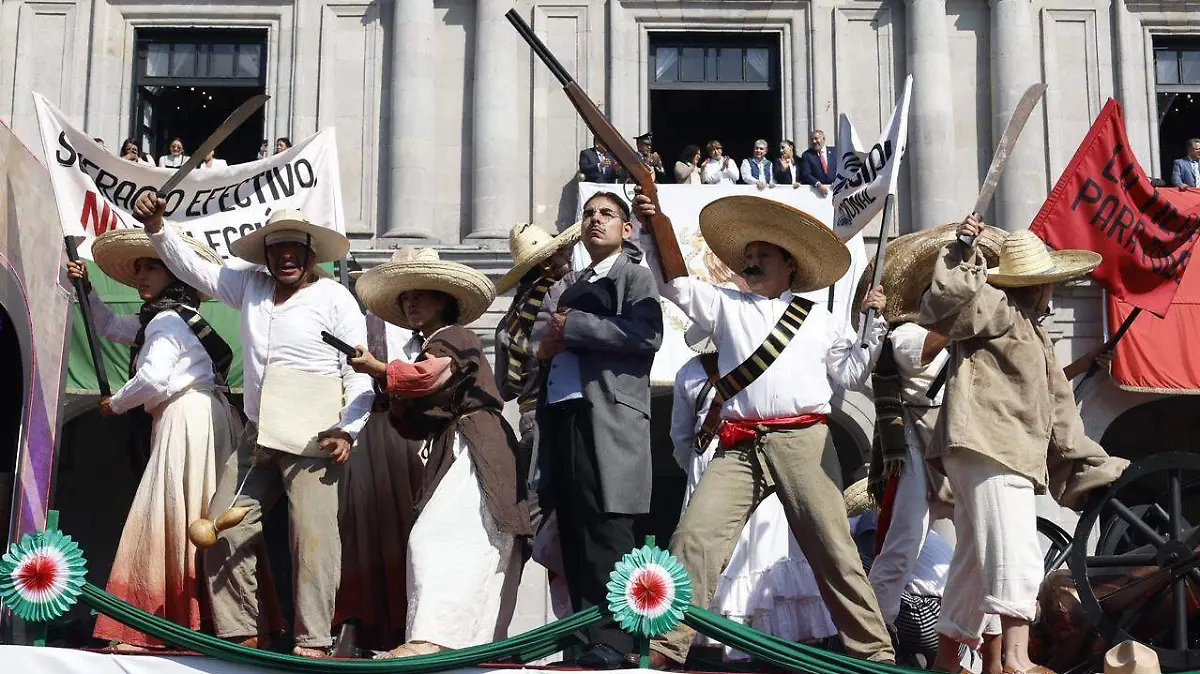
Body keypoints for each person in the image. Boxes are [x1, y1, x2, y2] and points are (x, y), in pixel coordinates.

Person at [633, 191, 896, 667]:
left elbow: (854, 374)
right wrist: (657, 223)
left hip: (805, 441)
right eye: (748, 257)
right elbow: (675, 283)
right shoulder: (725, 305)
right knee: (692, 540)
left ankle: (874, 655)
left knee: (835, 552)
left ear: (789, 265)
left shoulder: (819, 319)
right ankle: (663, 652)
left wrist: (872, 328)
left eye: (762, 257)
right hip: (738, 444)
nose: (751, 264)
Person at [134, 193, 373, 658]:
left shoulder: (335, 297)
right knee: (221, 528)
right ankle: (242, 632)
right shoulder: (249, 287)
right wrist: (158, 226)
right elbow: (191, 267)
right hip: (259, 435)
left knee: (313, 539)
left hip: (316, 436)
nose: (285, 257)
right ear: (266, 254)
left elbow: (357, 372)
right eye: (277, 249)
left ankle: (314, 642)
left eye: (294, 249)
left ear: (310, 254)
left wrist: (349, 429)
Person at [920, 219, 1130, 674]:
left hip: (999, 450)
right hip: (988, 446)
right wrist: (962, 251)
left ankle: (946, 658)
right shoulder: (998, 307)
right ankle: (1016, 659)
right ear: (1037, 284)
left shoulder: (1037, 335)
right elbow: (948, 301)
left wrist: (1097, 467)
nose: (1053, 291)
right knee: (1017, 549)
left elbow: (1060, 416)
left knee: (975, 559)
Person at [348, 248, 529, 658]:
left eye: (421, 294)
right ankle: (459, 640)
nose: (410, 302)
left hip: (479, 448)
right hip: (461, 446)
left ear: (444, 300)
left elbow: (428, 377)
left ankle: (439, 639)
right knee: (460, 540)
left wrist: (379, 369)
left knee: (445, 538)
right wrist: (388, 385)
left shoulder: (453, 337)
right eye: (405, 297)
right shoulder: (432, 344)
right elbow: (412, 412)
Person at [71, 229, 237, 651]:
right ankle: (213, 622)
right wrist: (87, 290)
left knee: (169, 514)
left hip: (186, 418)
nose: (142, 275)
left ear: (176, 274)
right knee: (199, 515)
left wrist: (115, 404)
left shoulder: (166, 320)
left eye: (153, 267)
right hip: (202, 418)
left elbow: (153, 378)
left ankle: (158, 627)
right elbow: (110, 325)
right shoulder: (169, 318)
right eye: (140, 268)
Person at [532, 191, 663, 669]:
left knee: (609, 529)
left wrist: (576, 326)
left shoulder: (635, 276)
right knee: (575, 525)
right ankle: (583, 639)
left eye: (607, 214)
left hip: (608, 416)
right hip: (564, 414)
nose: (595, 220)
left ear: (627, 229)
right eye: (588, 214)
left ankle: (618, 642)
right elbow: (538, 339)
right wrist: (552, 337)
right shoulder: (568, 282)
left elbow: (646, 335)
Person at [671, 324, 836, 657]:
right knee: (737, 552)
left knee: (736, 551)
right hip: (747, 463)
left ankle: (725, 646)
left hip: (727, 464)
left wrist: (698, 464)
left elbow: (680, 439)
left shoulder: (689, 372)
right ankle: (749, 647)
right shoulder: (762, 364)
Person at [332, 292, 427, 654]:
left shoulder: (427, 332)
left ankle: (408, 628)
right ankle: (355, 625)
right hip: (364, 426)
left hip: (408, 433)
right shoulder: (358, 322)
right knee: (357, 526)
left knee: (407, 526)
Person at [494, 221, 581, 523]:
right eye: (561, 254)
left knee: (534, 516)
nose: (568, 258)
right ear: (546, 263)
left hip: (529, 420)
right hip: (561, 414)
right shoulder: (566, 294)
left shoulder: (507, 322)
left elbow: (505, 389)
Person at [799, 130, 835, 196]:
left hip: (834, 191)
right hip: (816, 192)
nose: (814, 141)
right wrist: (818, 184)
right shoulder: (807, 155)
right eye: (812, 139)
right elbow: (806, 174)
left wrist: (837, 181)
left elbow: (841, 169)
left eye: (816, 138)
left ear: (823, 139)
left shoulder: (835, 152)